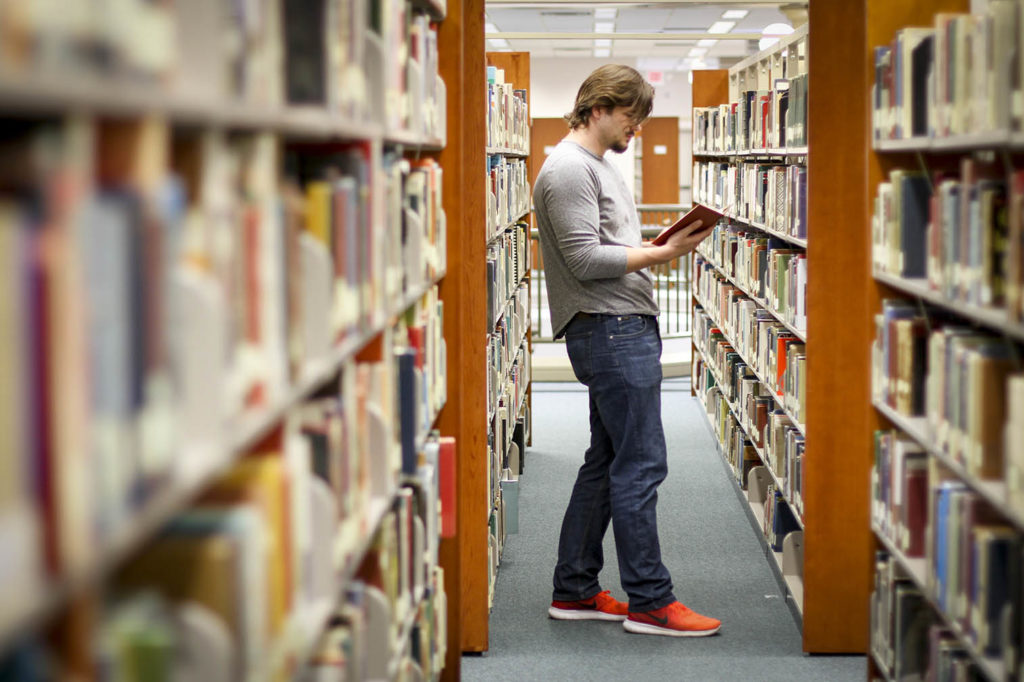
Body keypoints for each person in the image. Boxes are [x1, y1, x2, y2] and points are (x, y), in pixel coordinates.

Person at [534, 64, 721, 638]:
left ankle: (576, 589)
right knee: (641, 465)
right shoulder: (568, 169)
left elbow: (605, 248)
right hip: (609, 329)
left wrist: (654, 247)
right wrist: (659, 255)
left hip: (619, 326)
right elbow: (587, 260)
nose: (636, 128)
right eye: (630, 117)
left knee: (607, 462)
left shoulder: (596, 165)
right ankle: (651, 601)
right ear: (598, 108)